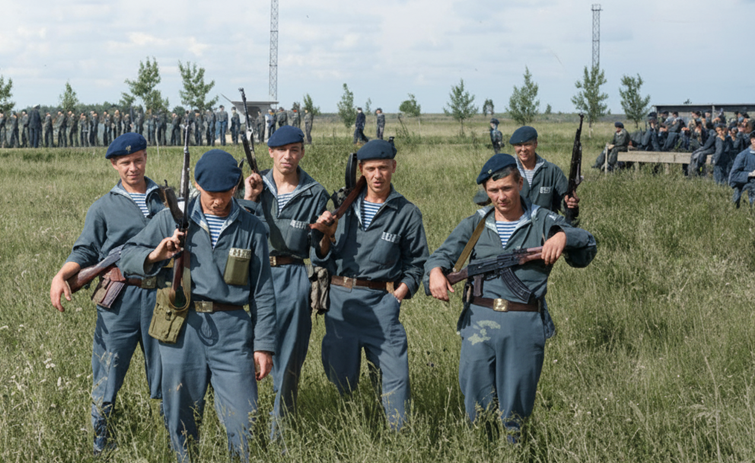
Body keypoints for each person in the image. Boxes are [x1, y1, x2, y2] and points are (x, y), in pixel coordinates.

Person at [120, 149, 276, 463]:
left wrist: (264, 346)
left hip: (232, 330)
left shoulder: (253, 228)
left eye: (225, 193)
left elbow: (263, 293)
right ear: (195, 184)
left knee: (243, 418)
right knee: (180, 415)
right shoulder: (172, 218)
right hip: (181, 328)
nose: (217, 201)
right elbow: (127, 258)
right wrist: (156, 255)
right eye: (209, 194)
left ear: (236, 186)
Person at [425, 154, 597, 439]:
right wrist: (434, 273)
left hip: (523, 321)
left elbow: (588, 243)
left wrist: (562, 236)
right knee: (475, 400)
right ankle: (480, 455)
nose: (500, 196)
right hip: (478, 320)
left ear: (519, 182)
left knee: (515, 405)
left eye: (506, 188)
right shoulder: (476, 224)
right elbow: (440, 256)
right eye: (493, 191)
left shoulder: (542, 220)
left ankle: (513, 459)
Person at [49, 133, 165, 455]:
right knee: (107, 373)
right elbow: (85, 250)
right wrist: (61, 275)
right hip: (120, 299)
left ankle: (172, 440)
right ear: (114, 165)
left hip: (162, 297)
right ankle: (102, 443)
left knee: (168, 373)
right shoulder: (102, 207)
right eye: (125, 163)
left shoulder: (166, 200)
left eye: (138, 160)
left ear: (146, 158)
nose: (133, 168)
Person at [312, 139, 429, 430]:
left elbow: (417, 263)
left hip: (382, 305)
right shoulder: (343, 207)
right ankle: (351, 431)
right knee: (341, 380)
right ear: (361, 170)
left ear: (394, 168)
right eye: (371, 169)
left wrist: (400, 293)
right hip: (341, 303)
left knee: (395, 379)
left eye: (384, 168)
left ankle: (398, 436)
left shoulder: (406, 212)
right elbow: (321, 257)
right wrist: (327, 233)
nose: (378, 175)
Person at [242, 125, 330, 439]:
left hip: (293, 275)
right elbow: (237, 229)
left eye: (295, 150)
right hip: (252, 277)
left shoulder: (315, 192)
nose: (288, 157)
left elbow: (319, 252)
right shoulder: (254, 184)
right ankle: (244, 431)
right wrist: (249, 198)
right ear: (270, 152)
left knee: (289, 358)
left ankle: (279, 434)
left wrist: (325, 234)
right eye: (282, 150)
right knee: (244, 355)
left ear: (302, 152)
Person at [508, 125, 579, 221]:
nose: (523, 149)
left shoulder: (552, 171)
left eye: (527, 144)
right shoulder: (507, 170)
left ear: (535, 144)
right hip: (516, 226)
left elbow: (564, 204)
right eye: (519, 145)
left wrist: (571, 204)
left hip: (545, 227)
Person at [729, 133, 755, 208]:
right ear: (753, 141)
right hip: (747, 191)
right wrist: (751, 174)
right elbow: (733, 176)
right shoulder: (743, 155)